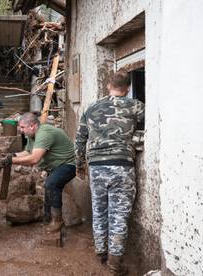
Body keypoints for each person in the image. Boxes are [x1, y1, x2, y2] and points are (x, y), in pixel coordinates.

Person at [75, 71, 144, 275]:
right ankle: (114, 264)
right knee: (119, 215)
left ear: (108, 86)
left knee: (99, 210)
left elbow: (80, 139)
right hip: (122, 166)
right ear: (128, 88)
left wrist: (79, 164)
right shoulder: (136, 106)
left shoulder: (91, 107)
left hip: (96, 166)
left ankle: (101, 253)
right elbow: (151, 127)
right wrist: (135, 139)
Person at [0, 112, 76, 234]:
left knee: (51, 184)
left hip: (69, 164)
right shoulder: (32, 135)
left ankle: (57, 221)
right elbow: (28, 152)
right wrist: (12, 155)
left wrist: (11, 161)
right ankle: (47, 220)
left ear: (33, 126)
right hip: (55, 167)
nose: (21, 130)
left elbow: (34, 159)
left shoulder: (44, 133)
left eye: (23, 127)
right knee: (48, 190)